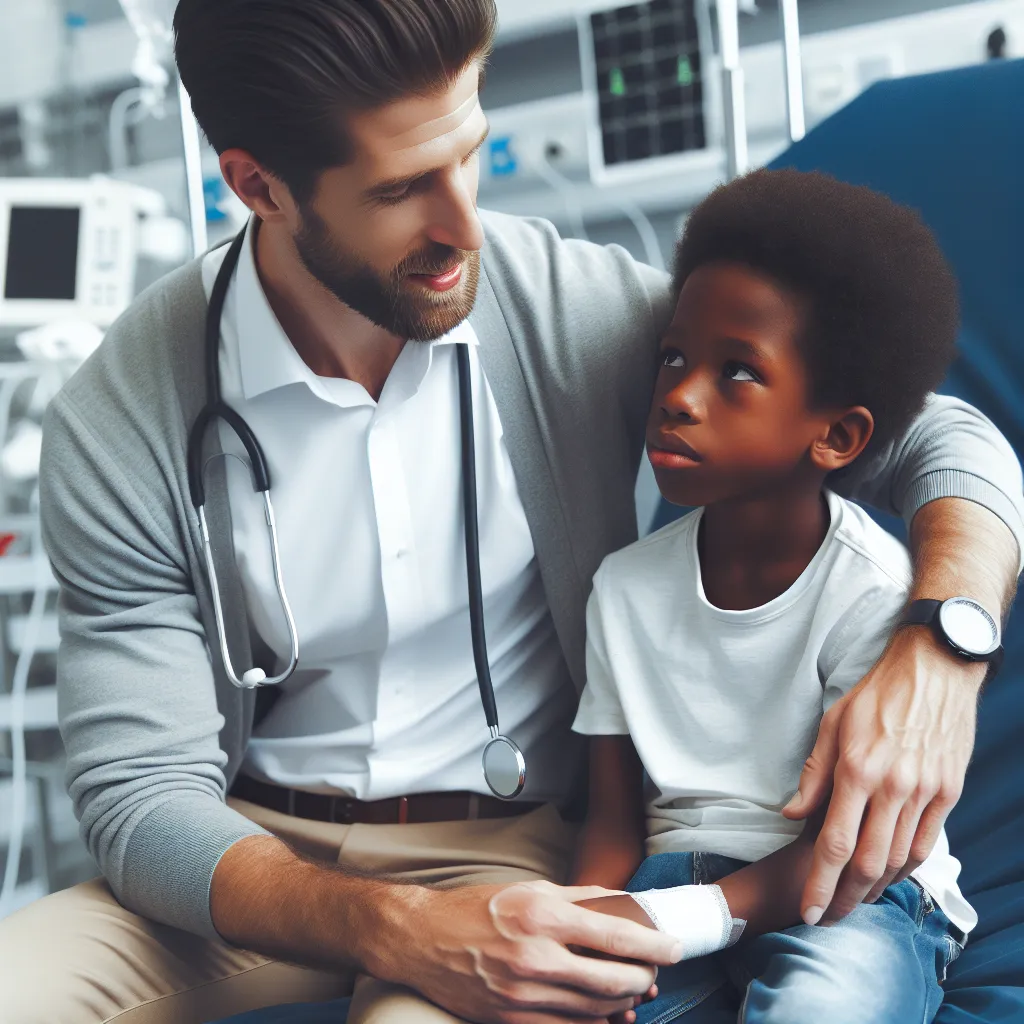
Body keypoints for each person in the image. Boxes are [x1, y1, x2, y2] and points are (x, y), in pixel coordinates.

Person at [0, 2, 1019, 1022]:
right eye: (401, 189)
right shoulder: (123, 414)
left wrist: (944, 642)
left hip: (505, 851)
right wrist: (388, 924)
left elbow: (941, 439)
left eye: (469, 154)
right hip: (256, 860)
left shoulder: (565, 310)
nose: (462, 228)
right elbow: (142, 799)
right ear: (257, 185)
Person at [569, 169, 975, 1024]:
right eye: (674, 358)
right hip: (674, 877)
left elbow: (849, 846)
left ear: (837, 435)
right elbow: (613, 824)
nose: (678, 396)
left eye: (737, 373)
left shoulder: (872, 591)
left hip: (851, 890)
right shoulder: (623, 590)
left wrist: (682, 919)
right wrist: (579, 934)